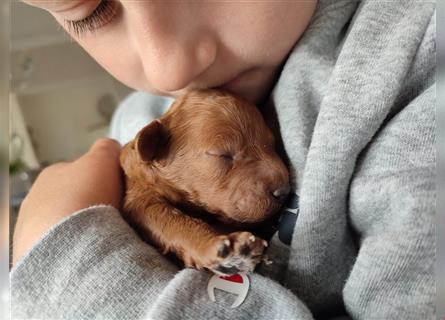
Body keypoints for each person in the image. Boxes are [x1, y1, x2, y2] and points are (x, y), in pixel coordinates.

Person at [12, 1, 436, 319]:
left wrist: (74, 273)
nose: (169, 71)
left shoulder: (419, 67)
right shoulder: (135, 120)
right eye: (93, 11)